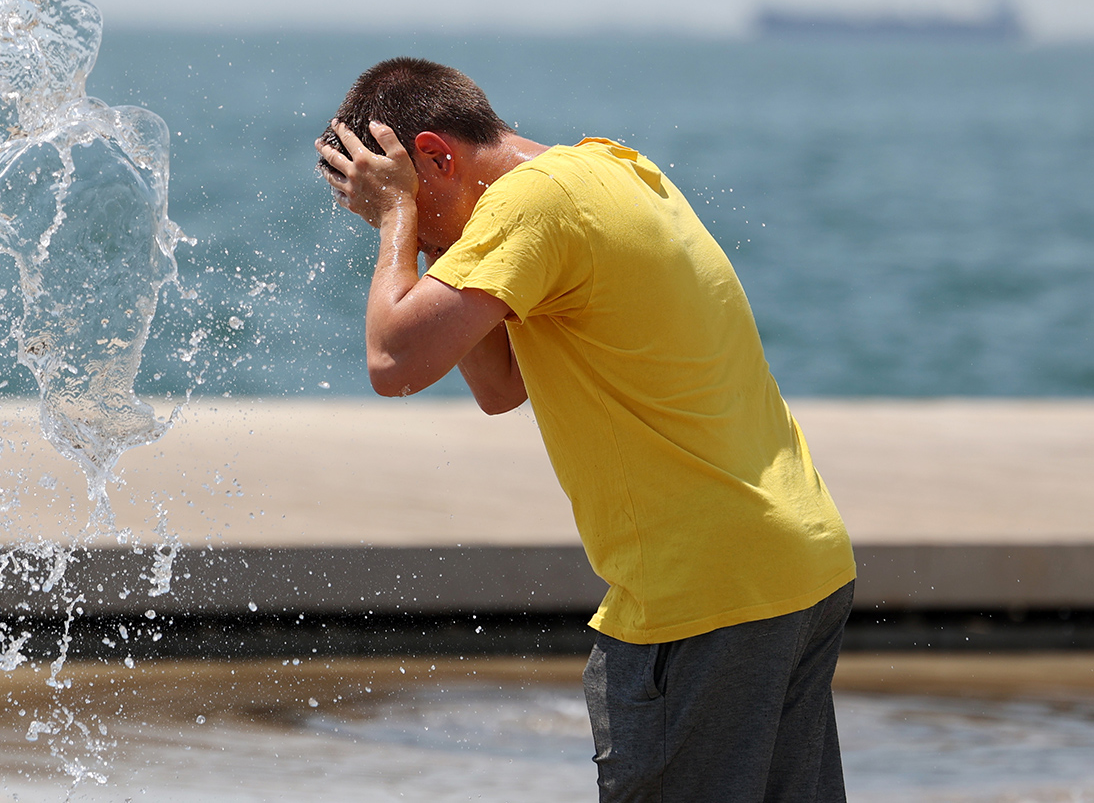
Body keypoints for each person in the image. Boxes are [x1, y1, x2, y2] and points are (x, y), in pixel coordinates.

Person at [315, 57, 855, 803]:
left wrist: (398, 220)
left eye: (396, 196)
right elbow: (502, 387)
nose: (395, 230)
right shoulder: (611, 171)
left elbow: (393, 358)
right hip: (796, 566)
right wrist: (433, 229)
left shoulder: (530, 208)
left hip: (703, 597)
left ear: (437, 155)